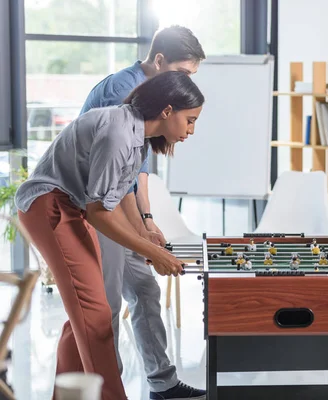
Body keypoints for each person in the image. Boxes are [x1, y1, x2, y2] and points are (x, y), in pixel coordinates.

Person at [15, 71, 204, 400]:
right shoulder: (118, 131)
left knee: (84, 314)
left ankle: (68, 395)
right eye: (190, 120)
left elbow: (117, 198)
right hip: (49, 207)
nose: (191, 130)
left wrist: (145, 233)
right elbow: (99, 212)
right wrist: (152, 252)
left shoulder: (137, 139)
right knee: (97, 314)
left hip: (69, 207)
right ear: (167, 110)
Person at [79, 25, 206, 399]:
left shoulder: (154, 98)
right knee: (108, 302)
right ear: (159, 61)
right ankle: (107, 388)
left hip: (121, 203)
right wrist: (142, 235)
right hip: (97, 205)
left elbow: (137, 169)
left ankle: (162, 382)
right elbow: (111, 177)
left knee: (144, 289)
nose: (185, 84)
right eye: (182, 74)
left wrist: (147, 223)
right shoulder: (124, 91)